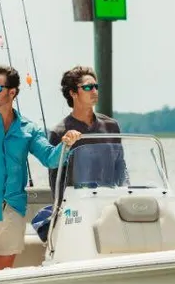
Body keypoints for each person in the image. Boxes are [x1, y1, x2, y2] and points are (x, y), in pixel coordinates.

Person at [0, 65, 81, 274]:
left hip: (14, 212)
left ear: (12, 92)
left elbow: (50, 159)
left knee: (3, 278)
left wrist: (67, 144)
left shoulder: (29, 129)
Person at [47, 65, 126, 197]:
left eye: (96, 87)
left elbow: (120, 168)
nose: (94, 91)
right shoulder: (59, 132)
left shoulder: (111, 126)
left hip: (109, 200)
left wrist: (125, 195)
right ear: (73, 93)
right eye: (88, 87)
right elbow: (56, 182)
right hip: (78, 203)